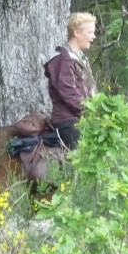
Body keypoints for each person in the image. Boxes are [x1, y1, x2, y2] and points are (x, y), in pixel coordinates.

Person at [44, 12, 97, 150]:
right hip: (68, 122)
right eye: (90, 32)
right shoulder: (62, 60)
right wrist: (90, 111)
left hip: (83, 120)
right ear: (77, 33)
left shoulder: (79, 58)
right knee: (79, 166)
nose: (93, 37)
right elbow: (69, 93)